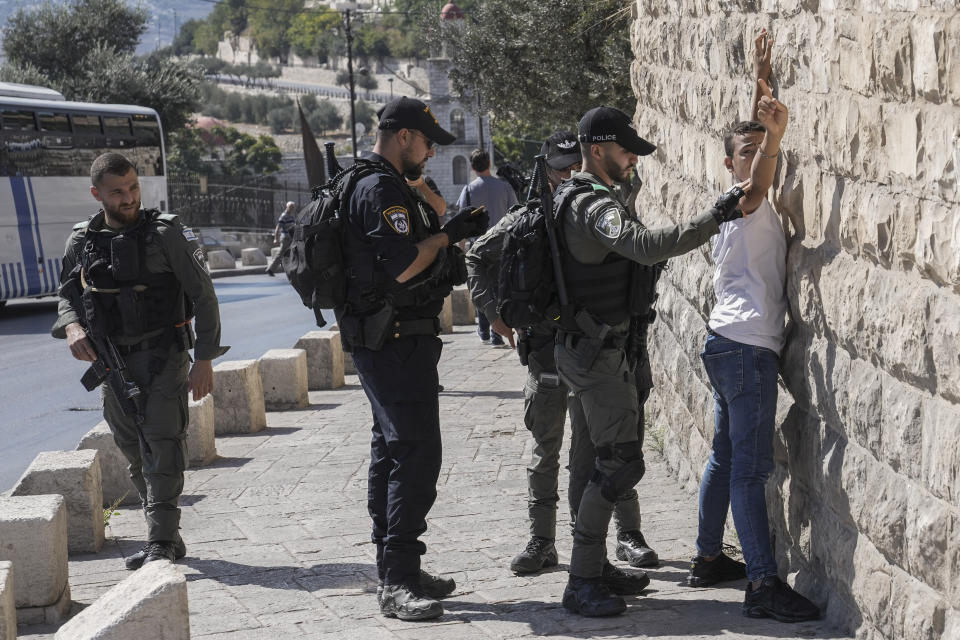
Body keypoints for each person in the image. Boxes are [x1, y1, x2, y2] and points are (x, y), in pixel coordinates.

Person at [554, 106, 750, 617]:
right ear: (596, 150)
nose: (632, 162)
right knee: (620, 464)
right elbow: (642, 246)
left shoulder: (588, 195)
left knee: (598, 461)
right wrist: (717, 214)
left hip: (597, 348)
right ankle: (581, 581)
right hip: (596, 355)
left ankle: (594, 567)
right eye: (624, 152)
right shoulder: (591, 205)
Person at [466, 132, 659, 591]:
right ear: (546, 172)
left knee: (603, 450)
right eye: (560, 169)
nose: (569, 176)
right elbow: (477, 256)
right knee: (547, 447)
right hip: (549, 353)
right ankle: (543, 541)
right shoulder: (528, 220)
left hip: (602, 353)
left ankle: (622, 536)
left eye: (577, 167)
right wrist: (495, 317)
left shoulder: (606, 209)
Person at [336, 96, 488, 621]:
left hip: (391, 341)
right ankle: (398, 580)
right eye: (425, 143)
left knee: (391, 452)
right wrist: (452, 234)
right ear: (403, 136)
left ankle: (394, 566)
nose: (428, 153)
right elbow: (403, 267)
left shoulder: (375, 182)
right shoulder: (379, 188)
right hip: (394, 341)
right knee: (417, 456)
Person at [686, 30, 820, 623]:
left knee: (722, 453)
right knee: (750, 468)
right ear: (728, 162)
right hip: (745, 350)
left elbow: (754, 140)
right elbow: (762, 174)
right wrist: (779, 135)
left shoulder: (734, 199)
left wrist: (762, 81)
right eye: (744, 150)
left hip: (724, 344)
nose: (755, 152)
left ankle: (708, 557)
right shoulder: (747, 198)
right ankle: (763, 584)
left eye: (758, 146)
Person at [51, 152, 228, 568]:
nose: (129, 198)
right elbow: (65, 295)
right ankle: (165, 535)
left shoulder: (165, 234)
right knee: (132, 447)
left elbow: (204, 295)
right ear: (97, 194)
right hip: (112, 363)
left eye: (133, 188)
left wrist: (204, 358)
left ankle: (160, 541)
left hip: (164, 355)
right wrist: (72, 328)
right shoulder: (82, 241)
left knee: (163, 444)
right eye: (118, 192)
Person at [456, 148, 518, 345]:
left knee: (482, 289)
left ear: (472, 167)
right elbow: (516, 215)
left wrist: (461, 247)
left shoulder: (467, 190)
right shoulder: (505, 187)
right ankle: (498, 332)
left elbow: (462, 222)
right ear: (489, 164)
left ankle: (485, 331)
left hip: (478, 248)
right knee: (501, 290)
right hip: (503, 246)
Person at [266, 200, 297, 276]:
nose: (292, 209)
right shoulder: (284, 216)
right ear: (287, 207)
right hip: (286, 238)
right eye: (291, 207)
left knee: (292, 253)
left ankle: (291, 269)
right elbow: (278, 227)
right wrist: (275, 238)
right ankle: (270, 269)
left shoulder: (291, 216)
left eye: (293, 207)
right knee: (281, 254)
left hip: (291, 238)